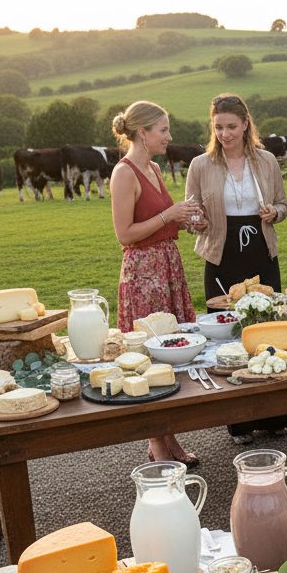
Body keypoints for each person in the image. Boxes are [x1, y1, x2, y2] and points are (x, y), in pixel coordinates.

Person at [186, 93, 287, 444]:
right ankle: (240, 423)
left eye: (231, 126)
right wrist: (197, 221)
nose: (225, 134)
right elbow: (192, 213)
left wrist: (274, 213)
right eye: (218, 127)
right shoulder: (200, 165)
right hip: (221, 253)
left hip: (261, 251)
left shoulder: (267, 161)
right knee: (229, 335)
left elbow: (282, 204)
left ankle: (275, 415)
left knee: (267, 328)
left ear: (246, 124)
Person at [109, 101, 199, 466]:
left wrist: (187, 221)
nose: (169, 136)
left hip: (167, 267)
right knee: (149, 354)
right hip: (143, 274)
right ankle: (157, 444)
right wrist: (169, 213)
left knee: (170, 352)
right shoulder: (124, 173)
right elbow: (124, 234)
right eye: (163, 129)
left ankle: (168, 437)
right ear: (142, 133)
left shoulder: (154, 168)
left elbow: (163, 222)